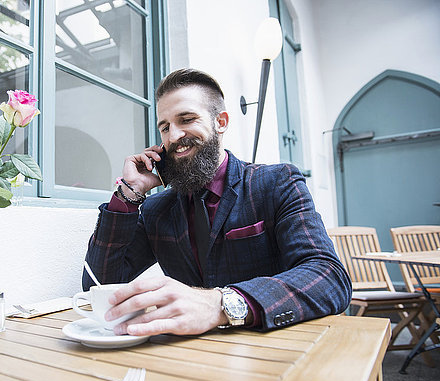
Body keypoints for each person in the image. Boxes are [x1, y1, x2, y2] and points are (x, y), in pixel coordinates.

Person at [83, 68, 351, 336]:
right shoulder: (156, 210)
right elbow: (98, 284)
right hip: (190, 356)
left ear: (221, 122)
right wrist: (129, 195)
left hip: (275, 349)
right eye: (164, 127)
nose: (173, 136)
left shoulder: (276, 183)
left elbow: (329, 277)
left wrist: (222, 304)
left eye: (186, 119)